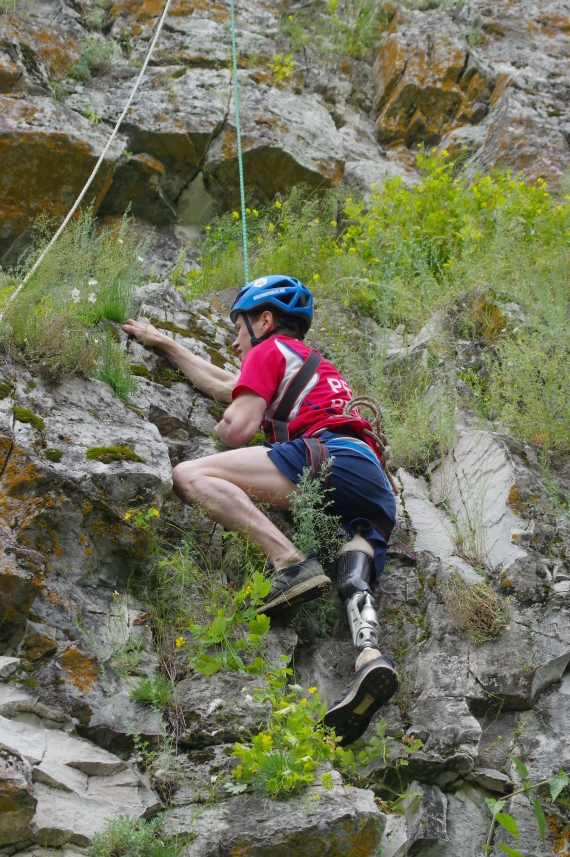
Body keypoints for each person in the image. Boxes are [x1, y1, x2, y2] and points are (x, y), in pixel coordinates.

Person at [123, 275, 398, 745]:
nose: (234, 341)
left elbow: (236, 426)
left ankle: (289, 563)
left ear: (264, 320)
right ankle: (371, 659)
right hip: (373, 482)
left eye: (238, 328)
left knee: (190, 476)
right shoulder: (307, 366)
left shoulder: (269, 351)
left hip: (329, 457)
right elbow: (228, 385)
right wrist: (165, 343)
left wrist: (221, 426)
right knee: (353, 575)